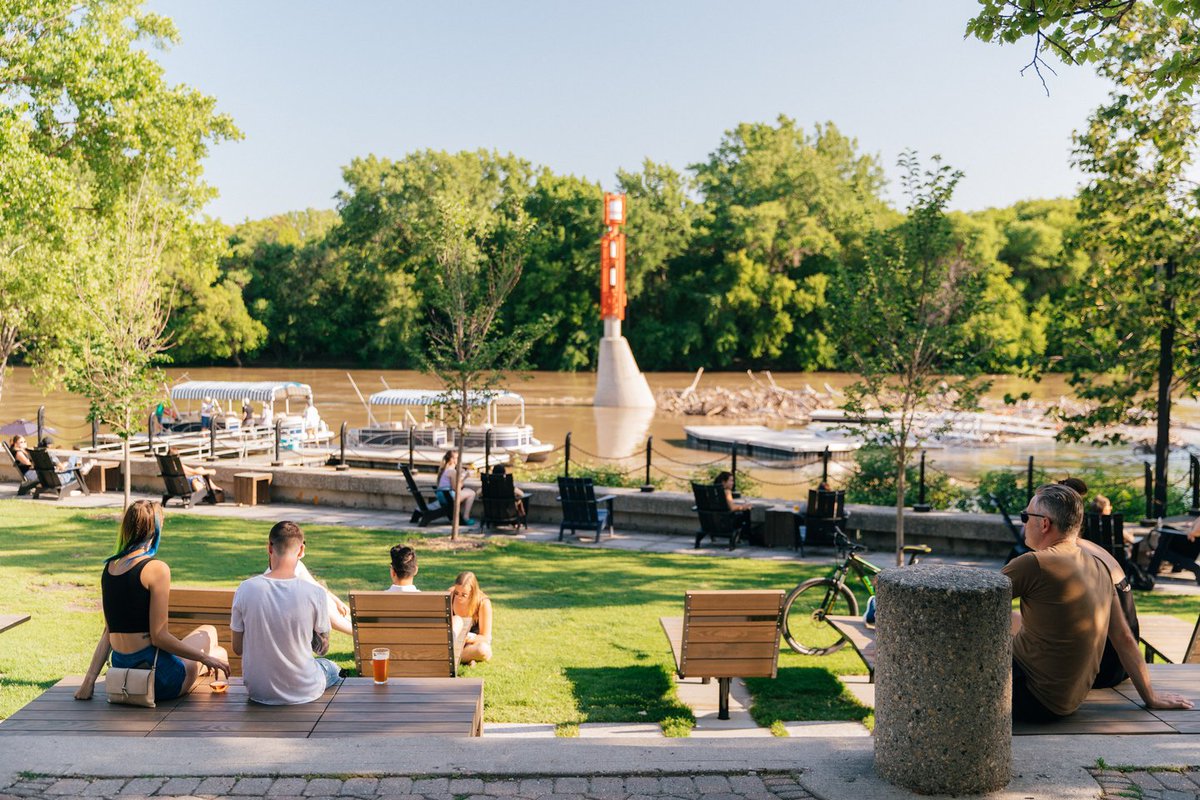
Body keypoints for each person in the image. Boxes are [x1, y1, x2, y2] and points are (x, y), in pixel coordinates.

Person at [1005, 484, 1190, 722]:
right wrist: (1150, 696)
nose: (1024, 523)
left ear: (1044, 524)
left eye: (1025, 516)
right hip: (1066, 701)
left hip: (1031, 695)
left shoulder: (1033, 563)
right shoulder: (1099, 566)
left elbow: (977, 599)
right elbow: (1124, 637)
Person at [74, 501, 230, 702]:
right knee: (210, 632)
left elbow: (108, 633)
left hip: (124, 678)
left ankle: (215, 666)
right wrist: (204, 658)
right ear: (155, 529)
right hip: (159, 678)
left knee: (219, 653)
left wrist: (88, 682)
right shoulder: (156, 569)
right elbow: (159, 637)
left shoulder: (110, 568)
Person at [231, 521, 341, 705]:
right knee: (332, 667)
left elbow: (237, 648)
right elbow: (322, 650)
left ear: (269, 547)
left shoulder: (245, 588)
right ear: (301, 550)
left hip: (258, 690)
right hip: (305, 689)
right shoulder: (315, 593)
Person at [449, 571, 493, 665]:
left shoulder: (483, 602)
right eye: (457, 593)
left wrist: (466, 638)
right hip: (453, 641)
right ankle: (465, 659)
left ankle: (454, 657)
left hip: (472, 643)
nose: (459, 597)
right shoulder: (450, 594)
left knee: (483, 650)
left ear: (473, 593)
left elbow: (485, 637)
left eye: (464, 595)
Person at [437, 451, 476, 525]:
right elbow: (456, 488)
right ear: (452, 459)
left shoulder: (445, 469)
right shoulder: (452, 471)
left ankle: (458, 516)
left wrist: (460, 476)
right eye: (457, 458)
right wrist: (465, 477)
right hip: (448, 497)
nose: (459, 460)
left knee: (467, 491)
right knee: (472, 493)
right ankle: (466, 517)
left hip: (442, 496)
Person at [714, 471, 752, 540]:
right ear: (723, 482)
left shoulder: (714, 491)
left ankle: (744, 535)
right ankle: (746, 536)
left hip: (714, 522)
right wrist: (743, 507)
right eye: (731, 481)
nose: (733, 483)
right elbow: (732, 508)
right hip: (726, 523)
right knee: (746, 511)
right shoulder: (727, 492)